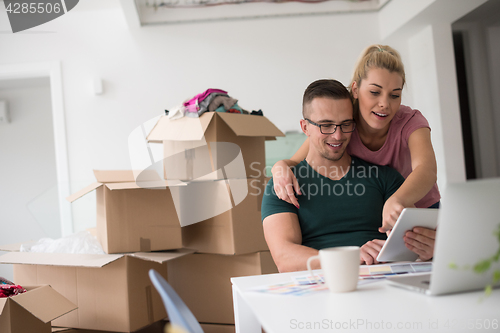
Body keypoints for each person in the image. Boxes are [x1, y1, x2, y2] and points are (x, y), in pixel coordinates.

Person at [271, 44, 439, 253]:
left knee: (429, 258)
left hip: (419, 205)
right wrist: (278, 168)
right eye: (375, 92)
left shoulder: (409, 122)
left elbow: (427, 169)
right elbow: (298, 158)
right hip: (381, 203)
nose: (384, 104)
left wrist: (397, 199)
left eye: (394, 95)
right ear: (356, 90)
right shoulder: (344, 122)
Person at [262, 79, 412, 272]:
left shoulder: (385, 178)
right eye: (326, 125)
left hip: (382, 282)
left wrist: (426, 246)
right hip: (321, 287)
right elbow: (284, 258)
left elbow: (412, 241)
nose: (338, 136)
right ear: (305, 127)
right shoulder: (283, 185)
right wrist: (349, 258)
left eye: (346, 124)